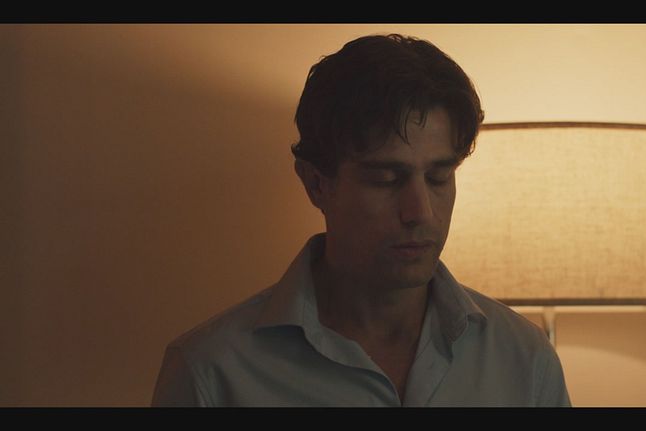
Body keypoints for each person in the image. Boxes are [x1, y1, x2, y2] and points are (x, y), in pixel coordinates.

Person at [151, 33, 571, 407]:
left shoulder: (524, 360)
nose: (420, 212)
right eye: (386, 179)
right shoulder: (213, 372)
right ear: (316, 184)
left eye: (439, 177)